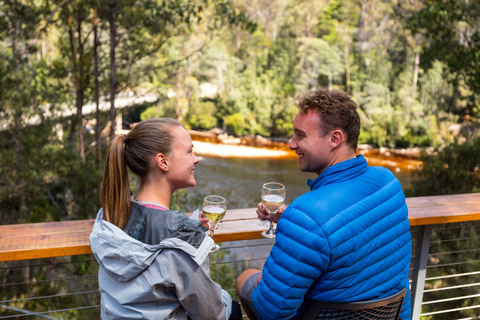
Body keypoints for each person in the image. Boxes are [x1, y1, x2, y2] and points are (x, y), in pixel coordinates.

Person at [236, 88, 412, 320]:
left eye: (301, 136)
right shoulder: (388, 182)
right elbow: (394, 275)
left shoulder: (308, 215)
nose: (291, 144)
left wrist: (299, 224)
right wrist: (293, 222)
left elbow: (272, 312)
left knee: (246, 278)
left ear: (335, 139)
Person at [89, 118, 241, 320]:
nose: (195, 159)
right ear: (162, 161)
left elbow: (147, 232)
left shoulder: (111, 216)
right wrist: (188, 233)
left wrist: (189, 225)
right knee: (234, 309)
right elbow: (212, 314)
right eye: (189, 151)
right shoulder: (181, 240)